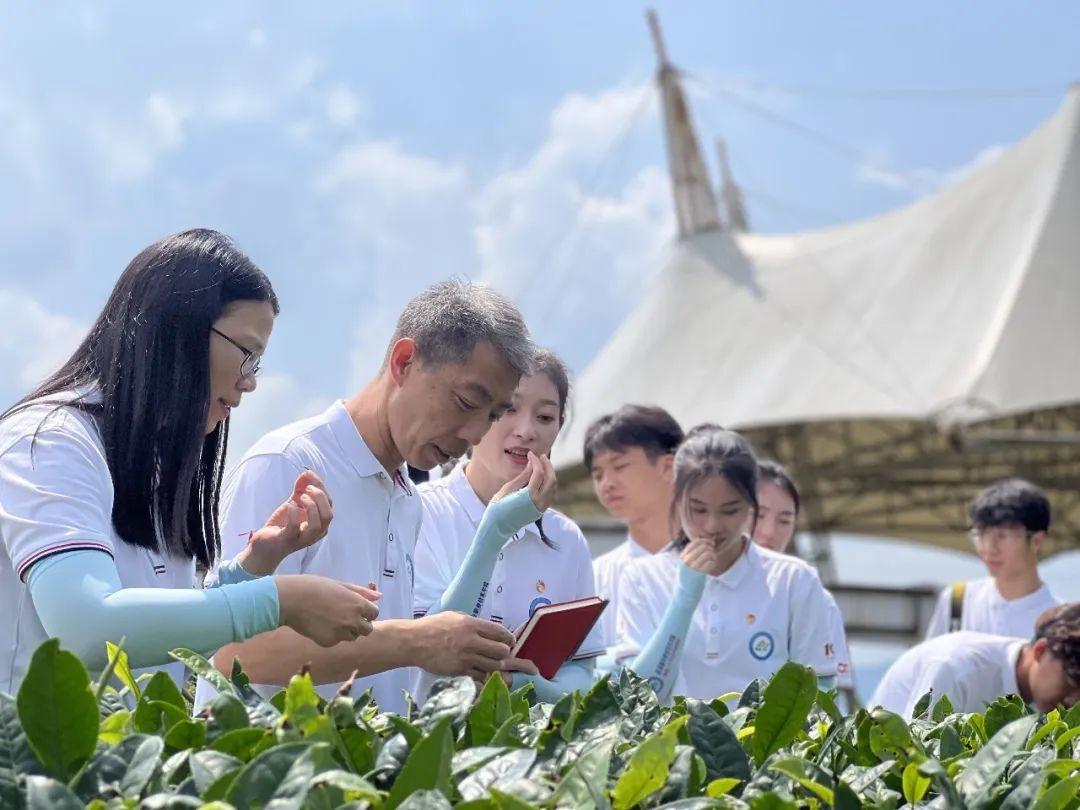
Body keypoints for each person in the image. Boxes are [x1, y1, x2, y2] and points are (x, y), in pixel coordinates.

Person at [0, 229, 379, 694]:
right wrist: (280, 601)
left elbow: (160, 637)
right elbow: (88, 627)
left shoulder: (147, 464)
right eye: (248, 354)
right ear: (177, 331)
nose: (250, 382)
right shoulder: (49, 441)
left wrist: (253, 568)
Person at [199, 280, 534, 712]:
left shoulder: (408, 500)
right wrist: (414, 641)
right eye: (467, 401)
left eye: (492, 416)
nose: (474, 434)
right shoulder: (287, 462)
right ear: (404, 361)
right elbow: (233, 652)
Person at [412, 350, 605, 703]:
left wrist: (526, 686)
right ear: (478, 412)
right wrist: (495, 531)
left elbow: (581, 672)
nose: (526, 431)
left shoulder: (566, 539)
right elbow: (427, 649)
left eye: (545, 417)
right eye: (509, 409)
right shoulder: (420, 512)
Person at [616, 425, 837, 702]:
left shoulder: (794, 580)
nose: (712, 526)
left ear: (751, 504)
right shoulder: (641, 578)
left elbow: (821, 693)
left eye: (730, 510)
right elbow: (638, 698)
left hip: (763, 733)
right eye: (698, 509)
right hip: (675, 733)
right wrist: (684, 599)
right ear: (676, 498)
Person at [752, 460, 854, 696]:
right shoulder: (696, 585)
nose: (769, 532)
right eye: (759, 515)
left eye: (784, 521)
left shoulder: (815, 597)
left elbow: (828, 693)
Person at [872, 603, 1080, 719]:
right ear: (1040, 651)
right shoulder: (957, 669)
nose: (1073, 700)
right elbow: (916, 757)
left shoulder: (1045, 700)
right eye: (1070, 683)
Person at [585, 405, 684, 648]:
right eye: (598, 474)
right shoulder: (595, 576)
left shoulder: (716, 563)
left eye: (619, 466)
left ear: (668, 467)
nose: (607, 483)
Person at [925, 479, 1059, 639]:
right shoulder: (957, 601)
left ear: (1037, 540)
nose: (990, 548)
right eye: (981, 534)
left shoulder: (1059, 621)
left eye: (1003, 536)